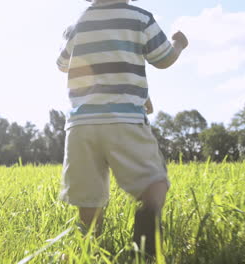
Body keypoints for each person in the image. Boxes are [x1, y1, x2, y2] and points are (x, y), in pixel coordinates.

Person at [56, 0, 188, 256]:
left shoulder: (78, 24)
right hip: (125, 121)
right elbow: (164, 59)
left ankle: (91, 249)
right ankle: (147, 224)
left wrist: (67, 37)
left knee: (89, 196)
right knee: (154, 181)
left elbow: (63, 65)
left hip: (82, 126)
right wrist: (179, 43)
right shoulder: (139, 18)